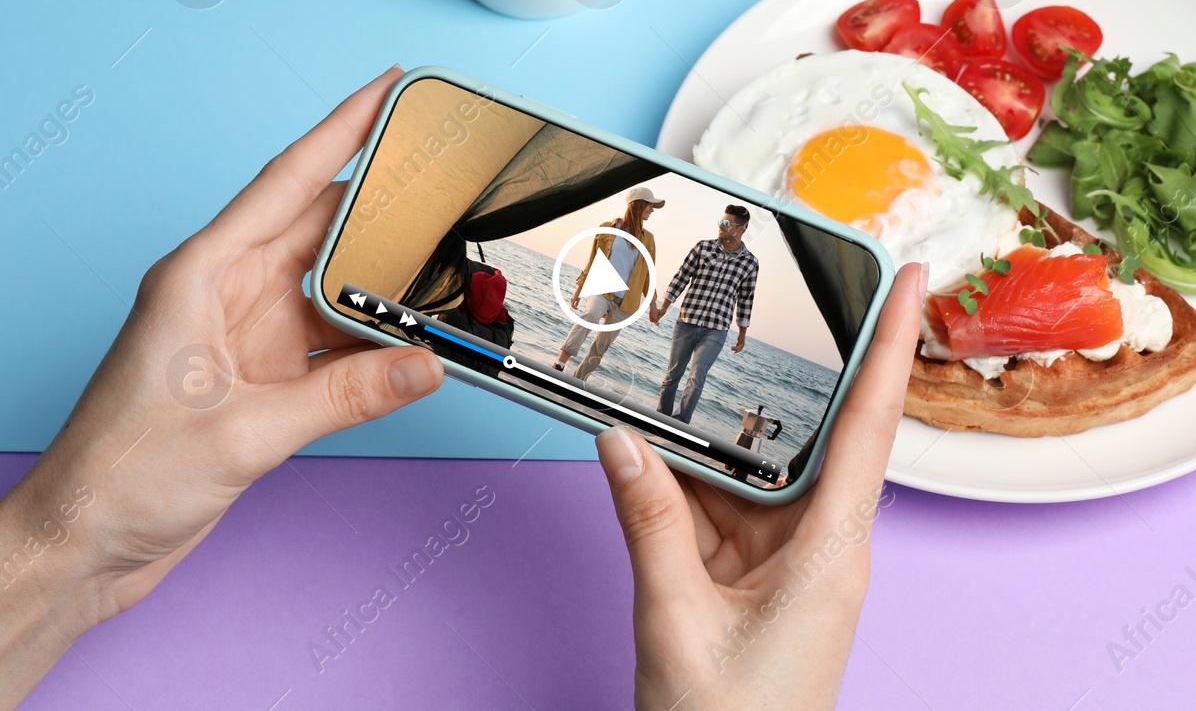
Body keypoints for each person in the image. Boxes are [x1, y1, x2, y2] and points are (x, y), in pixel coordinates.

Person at [0, 68, 928, 710]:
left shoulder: (735, 262)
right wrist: (66, 546)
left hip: (690, 329)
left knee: (678, 396)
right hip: (660, 313)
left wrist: (60, 544)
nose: (723, 222)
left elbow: (732, 289)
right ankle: (639, 398)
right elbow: (670, 272)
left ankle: (675, 422)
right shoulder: (687, 245)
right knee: (605, 352)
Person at [650, 206, 759, 424]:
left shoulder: (750, 263)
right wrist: (663, 308)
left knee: (697, 375)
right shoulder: (703, 248)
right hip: (687, 321)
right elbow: (681, 277)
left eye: (727, 223)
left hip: (716, 329)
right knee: (673, 373)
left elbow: (746, 299)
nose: (721, 225)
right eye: (721, 220)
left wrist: (742, 333)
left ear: (741, 229)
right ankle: (660, 419)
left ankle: (679, 424)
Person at [554, 186, 663, 380]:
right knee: (590, 314)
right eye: (650, 205)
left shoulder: (649, 239)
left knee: (601, 345)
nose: (652, 210)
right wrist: (578, 289)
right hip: (602, 289)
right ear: (638, 205)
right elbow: (592, 260)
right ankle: (560, 364)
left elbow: (649, 274)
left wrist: (653, 306)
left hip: (627, 301)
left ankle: (578, 380)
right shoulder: (608, 228)